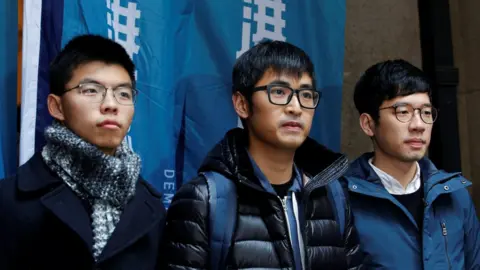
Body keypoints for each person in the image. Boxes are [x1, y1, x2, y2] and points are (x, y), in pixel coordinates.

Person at [161, 40, 364, 269]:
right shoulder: (205, 199)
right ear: (242, 104)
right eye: (279, 92)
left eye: (306, 95)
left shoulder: (332, 193)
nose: (296, 107)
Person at [0, 34, 166, 270]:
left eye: (123, 94)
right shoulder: (8, 202)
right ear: (57, 107)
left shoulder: (151, 208)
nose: (111, 104)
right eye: (91, 90)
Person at [342, 59, 480, 269]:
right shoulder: (341, 200)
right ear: (368, 124)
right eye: (403, 112)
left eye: (426, 112)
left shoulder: (454, 195)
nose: (418, 125)